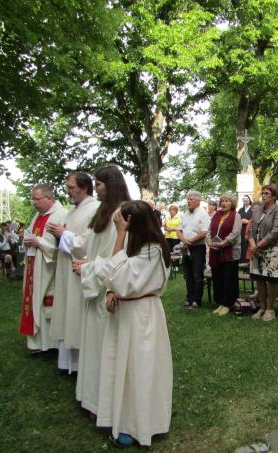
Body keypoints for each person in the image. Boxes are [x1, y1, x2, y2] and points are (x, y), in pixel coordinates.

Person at [95, 201, 173, 447]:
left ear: (132, 223)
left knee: (141, 369)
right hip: (129, 313)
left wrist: (119, 234)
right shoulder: (140, 247)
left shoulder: (152, 250)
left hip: (141, 316)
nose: (120, 226)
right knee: (125, 368)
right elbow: (115, 279)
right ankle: (125, 418)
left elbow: (116, 277)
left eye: (122, 222)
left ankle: (140, 424)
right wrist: (111, 292)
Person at [76, 165, 132, 416]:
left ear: (110, 185)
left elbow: (117, 256)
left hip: (106, 287)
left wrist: (89, 266)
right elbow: (96, 248)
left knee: (106, 347)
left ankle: (105, 401)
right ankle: (92, 397)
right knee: (94, 344)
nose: (95, 188)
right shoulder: (103, 211)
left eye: (98, 185)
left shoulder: (121, 215)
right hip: (95, 283)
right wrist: (86, 262)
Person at [47, 172, 99, 375]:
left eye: (71, 187)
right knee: (67, 311)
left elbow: (89, 243)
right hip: (66, 269)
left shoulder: (94, 210)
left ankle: (79, 364)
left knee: (76, 312)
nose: (68, 191)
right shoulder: (72, 211)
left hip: (80, 270)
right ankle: (66, 361)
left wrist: (64, 234)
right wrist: (62, 233)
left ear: (84, 188)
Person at [19, 184, 68, 353]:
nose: (33, 202)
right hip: (35, 266)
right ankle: (38, 343)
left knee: (49, 305)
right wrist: (27, 240)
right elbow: (34, 237)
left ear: (49, 198)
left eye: (37, 199)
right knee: (35, 302)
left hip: (51, 269)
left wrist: (38, 241)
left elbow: (62, 246)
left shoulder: (61, 215)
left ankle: (52, 344)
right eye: (32, 198)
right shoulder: (36, 217)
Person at [248, 184, 278, 321]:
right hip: (256, 250)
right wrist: (253, 245)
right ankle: (262, 307)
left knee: (271, 280)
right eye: (262, 193)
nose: (263, 195)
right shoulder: (257, 210)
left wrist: (258, 245)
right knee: (259, 279)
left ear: (274, 196)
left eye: (267, 193)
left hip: (271, 249)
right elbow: (251, 228)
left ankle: (270, 309)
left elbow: (275, 232)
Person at [208, 193, 242, 316]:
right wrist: (209, 242)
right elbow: (209, 230)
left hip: (230, 252)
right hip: (215, 252)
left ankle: (229, 303)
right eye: (222, 201)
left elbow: (235, 233)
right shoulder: (216, 215)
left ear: (232, 203)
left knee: (229, 279)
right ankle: (221, 302)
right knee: (218, 278)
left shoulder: (236, 216)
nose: (224, 203)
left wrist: (223, 243)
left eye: (227, 201)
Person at [177, 191, 210, 309]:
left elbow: (204, 232)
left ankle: (197, 300)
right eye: (188, 199)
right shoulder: (185, 214)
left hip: (197, 248)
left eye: (191, 199)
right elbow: (179, 230)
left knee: (197, 274)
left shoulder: (203, 214)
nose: (188, 201)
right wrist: (184, 241)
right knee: (187, 274)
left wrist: (190, 241)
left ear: (198, 201)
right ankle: (189, 298)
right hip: (186, 248)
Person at [238, 195, 253, 261]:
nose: (245, 202)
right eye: (244, 201)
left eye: (246, 200)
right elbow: (237, 218)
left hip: (250, 228)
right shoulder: (241, 210)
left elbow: (255, 218)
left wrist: (248, 221)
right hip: (242, 229)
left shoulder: (252, 209)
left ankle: (248, 259)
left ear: (249, 201)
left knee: (249, 242)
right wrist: (240, 221)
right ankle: (242, 259)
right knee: (242, 243)